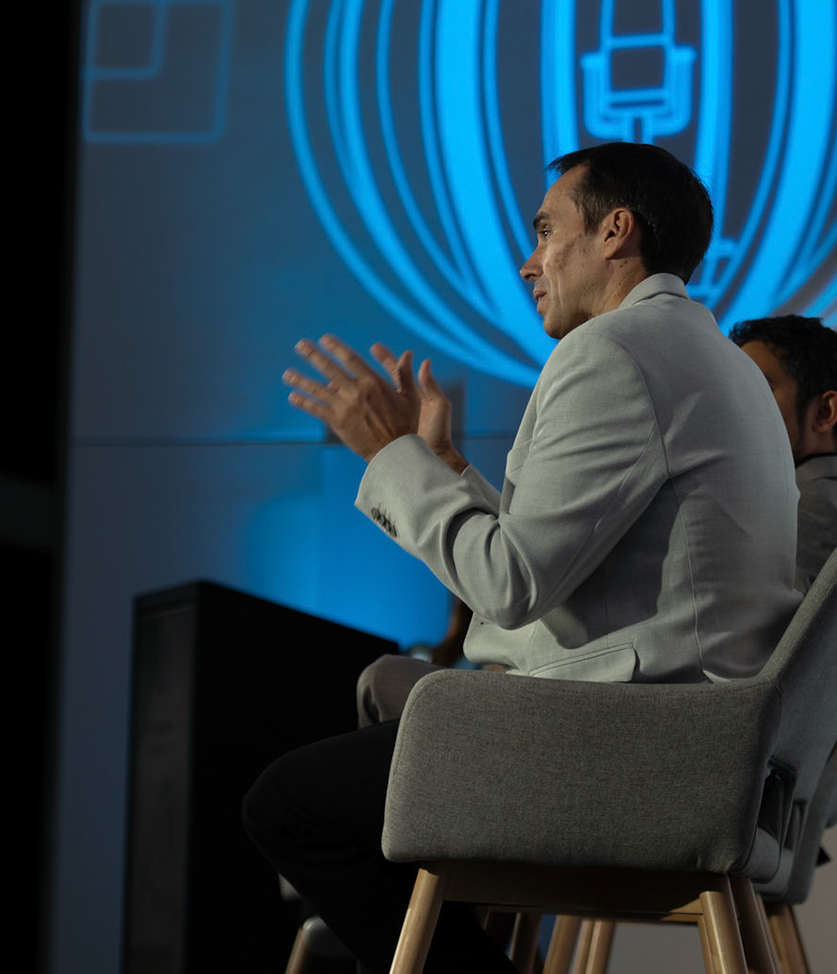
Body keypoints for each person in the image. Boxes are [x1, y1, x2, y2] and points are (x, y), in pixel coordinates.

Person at [244, 142, 800, 974]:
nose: (528, 261)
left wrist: (391, 455)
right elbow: (557, 557)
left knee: (289, 805)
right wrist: (440, 468)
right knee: (375, 751)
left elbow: (507, 585)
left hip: (630, 748)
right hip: (692, 740)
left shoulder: (614, 352)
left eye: (546, 230)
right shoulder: (712, 358)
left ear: (615, 231)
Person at [730, 314, 837, 658]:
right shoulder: (833, 499)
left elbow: (774, 661)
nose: (734, 403)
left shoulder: (807, 509)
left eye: (759, 387)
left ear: (825, 412)